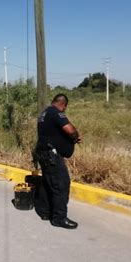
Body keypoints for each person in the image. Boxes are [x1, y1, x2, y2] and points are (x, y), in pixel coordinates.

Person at [35, 94, 81, 229]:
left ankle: (45, 212)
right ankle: (59, 218)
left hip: (43, 152)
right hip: (51, 154)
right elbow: (70, 130)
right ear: (63, 105)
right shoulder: (56, 112)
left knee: (48, 182)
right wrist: (75, 137)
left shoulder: (44, 113)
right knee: (61, 183)